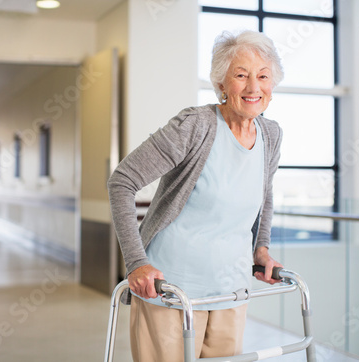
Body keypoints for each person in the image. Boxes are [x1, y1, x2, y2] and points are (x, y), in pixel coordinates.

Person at [108, 30, 284, 362]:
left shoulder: (270, 134)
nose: (253, 87)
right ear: (221, 82)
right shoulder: (195, 125)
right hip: (171, 288)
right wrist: (136, 263)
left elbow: (265, 193)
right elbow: (122, 182)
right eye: (241, 75)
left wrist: (261, 250)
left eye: (263, 76)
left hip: (231, 290)